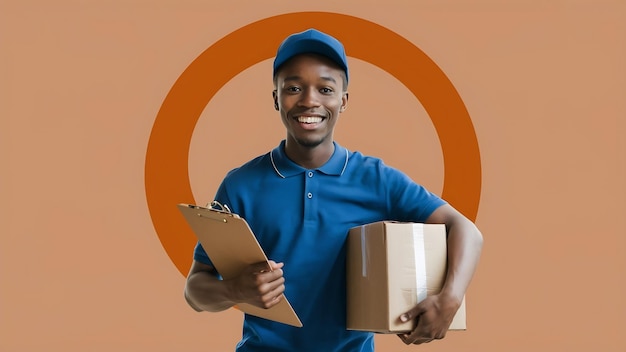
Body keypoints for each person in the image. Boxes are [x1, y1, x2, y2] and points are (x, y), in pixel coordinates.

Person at [184, 28, 483, 351]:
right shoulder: (240, 185)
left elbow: (465, 229)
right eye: (294, 88)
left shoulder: (377, 180)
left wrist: (449, 299)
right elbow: (195, 291)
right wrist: (234, 291)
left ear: (343, 101)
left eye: (325, 89)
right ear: (276, 99)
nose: (309, 100)